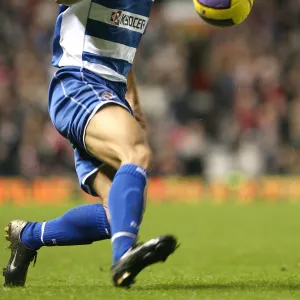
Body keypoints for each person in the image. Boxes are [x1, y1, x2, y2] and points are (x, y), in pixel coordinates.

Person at [3, 0, 178, 288]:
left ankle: (29, 236)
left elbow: (122, 44)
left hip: (112, 90)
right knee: (137, 152)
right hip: (78, 82)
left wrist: (132, 96)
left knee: (120, 215)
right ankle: (123, 258)